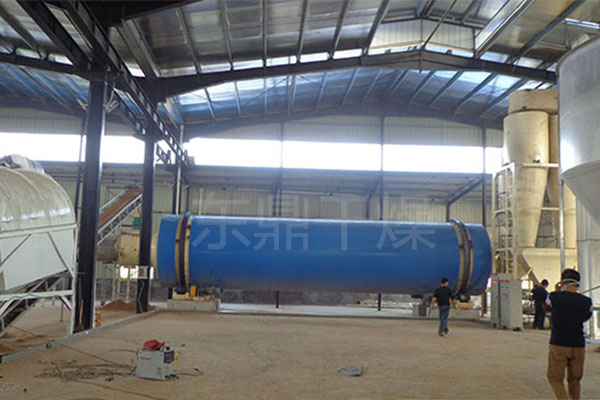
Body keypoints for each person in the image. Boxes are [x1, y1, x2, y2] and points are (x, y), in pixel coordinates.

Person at [544, 269, 593, 400]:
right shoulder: (587, 301)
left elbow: (546, 307)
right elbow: (586, 316)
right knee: (575, 380)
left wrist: (556, 291)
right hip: (578, 345)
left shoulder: (554, 297)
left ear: (562, 282)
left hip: (559, 343)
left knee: (555, 379)